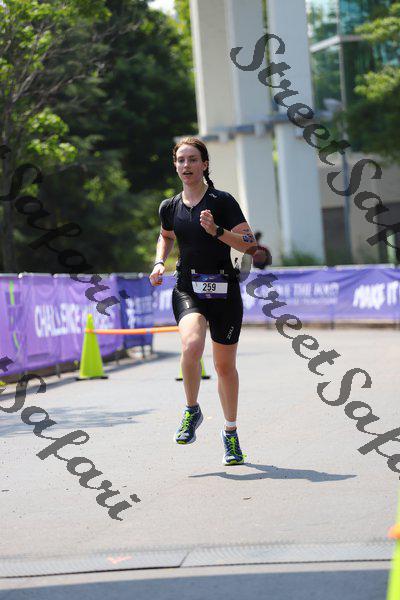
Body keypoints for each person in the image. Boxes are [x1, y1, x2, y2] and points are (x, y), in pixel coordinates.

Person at [149, 137, 258, 466]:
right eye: (181, 160)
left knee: (224, 367)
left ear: (205, 164)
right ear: (175, 166)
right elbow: (166, 235)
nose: (186, 165)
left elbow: (249, 244)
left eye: (193, 159)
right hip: (188, 287)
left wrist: (218, 231)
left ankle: (230, 433)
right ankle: (192, 409)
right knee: (192, 345)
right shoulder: (170, 206)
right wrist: (159, 262)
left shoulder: (221, 201)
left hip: (224, 289)